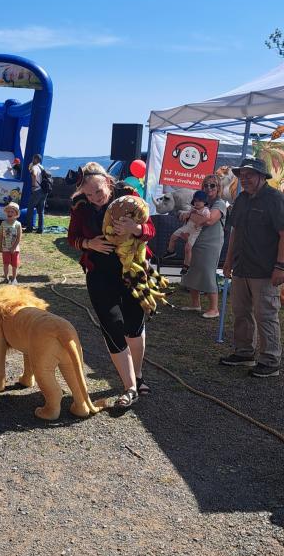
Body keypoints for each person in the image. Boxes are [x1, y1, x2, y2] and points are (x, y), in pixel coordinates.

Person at [67, 165, 155, 408]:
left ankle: (138, 374)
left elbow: (151, 229)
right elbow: (72, 237)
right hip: (100, 274)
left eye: (98, 191)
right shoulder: (80, 207)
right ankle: (130, 387)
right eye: (89, 194)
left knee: (134, 327)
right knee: (112, 326)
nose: (95, 198)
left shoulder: (128, 195)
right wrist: (89, 243)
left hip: (132, 269)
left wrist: (136, 229)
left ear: (107, 181)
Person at [219, 157, 284, 377]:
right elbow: (235, 232)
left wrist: (281, 266)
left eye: (249, 175)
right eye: (242, 175)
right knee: (240, 312)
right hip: (241, 266)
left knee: (265, 314)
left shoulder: (275, 199)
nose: (244, 179)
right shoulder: (242, 199)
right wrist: (228, 261)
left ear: (262, 176)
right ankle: (244, 352)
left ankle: (270, 360)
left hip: (265, 269)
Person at [177, 172, 227, 318]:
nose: (208, 188)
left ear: (218, 187)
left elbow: (209, 220)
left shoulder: (220, 203)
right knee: (193, 269)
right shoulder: (200, 202)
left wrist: (189, 214)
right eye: (205, 185)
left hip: (211, 243)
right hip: (196, 240)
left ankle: (214, 309)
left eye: (212, 185)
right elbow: (191, 220)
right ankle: (195, 304)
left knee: (207, 272)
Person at [165, 190, 210, 269]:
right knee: (173, 236)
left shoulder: (205, 210)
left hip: (194, 231)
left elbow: (207, 218)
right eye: (195, 201)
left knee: (188, 248)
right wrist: (185, 215)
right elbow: (188, 214)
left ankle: (186, 265)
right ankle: (170, 251)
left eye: (199, 201)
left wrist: (199, 223)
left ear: (204, 202)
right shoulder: (193, 208)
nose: (197, 203)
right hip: (186, 227)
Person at [0, 201, 22, 284]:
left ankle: (14, 278)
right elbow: (1, 235)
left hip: (15, 249)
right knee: (6, 263)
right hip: (5, 248)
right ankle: (6, 277)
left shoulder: (18, 224)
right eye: (8, 211)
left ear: (16, 214)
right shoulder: (3, 223)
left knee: (14, 264)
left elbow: (19, 237)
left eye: (12, 212)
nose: (10, 213)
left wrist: (13, 247)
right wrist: (1, 246)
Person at [25, 153, 46, 233]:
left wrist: (33, 186)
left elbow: (34, 174)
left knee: (30, 209)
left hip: (37, 190)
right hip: (44, 191)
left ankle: (29, 228)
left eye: (33, 158)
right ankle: (40, 229)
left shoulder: (35, 167)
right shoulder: (42, 167)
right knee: (41, 211)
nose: (32, 160)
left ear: (36, 159)